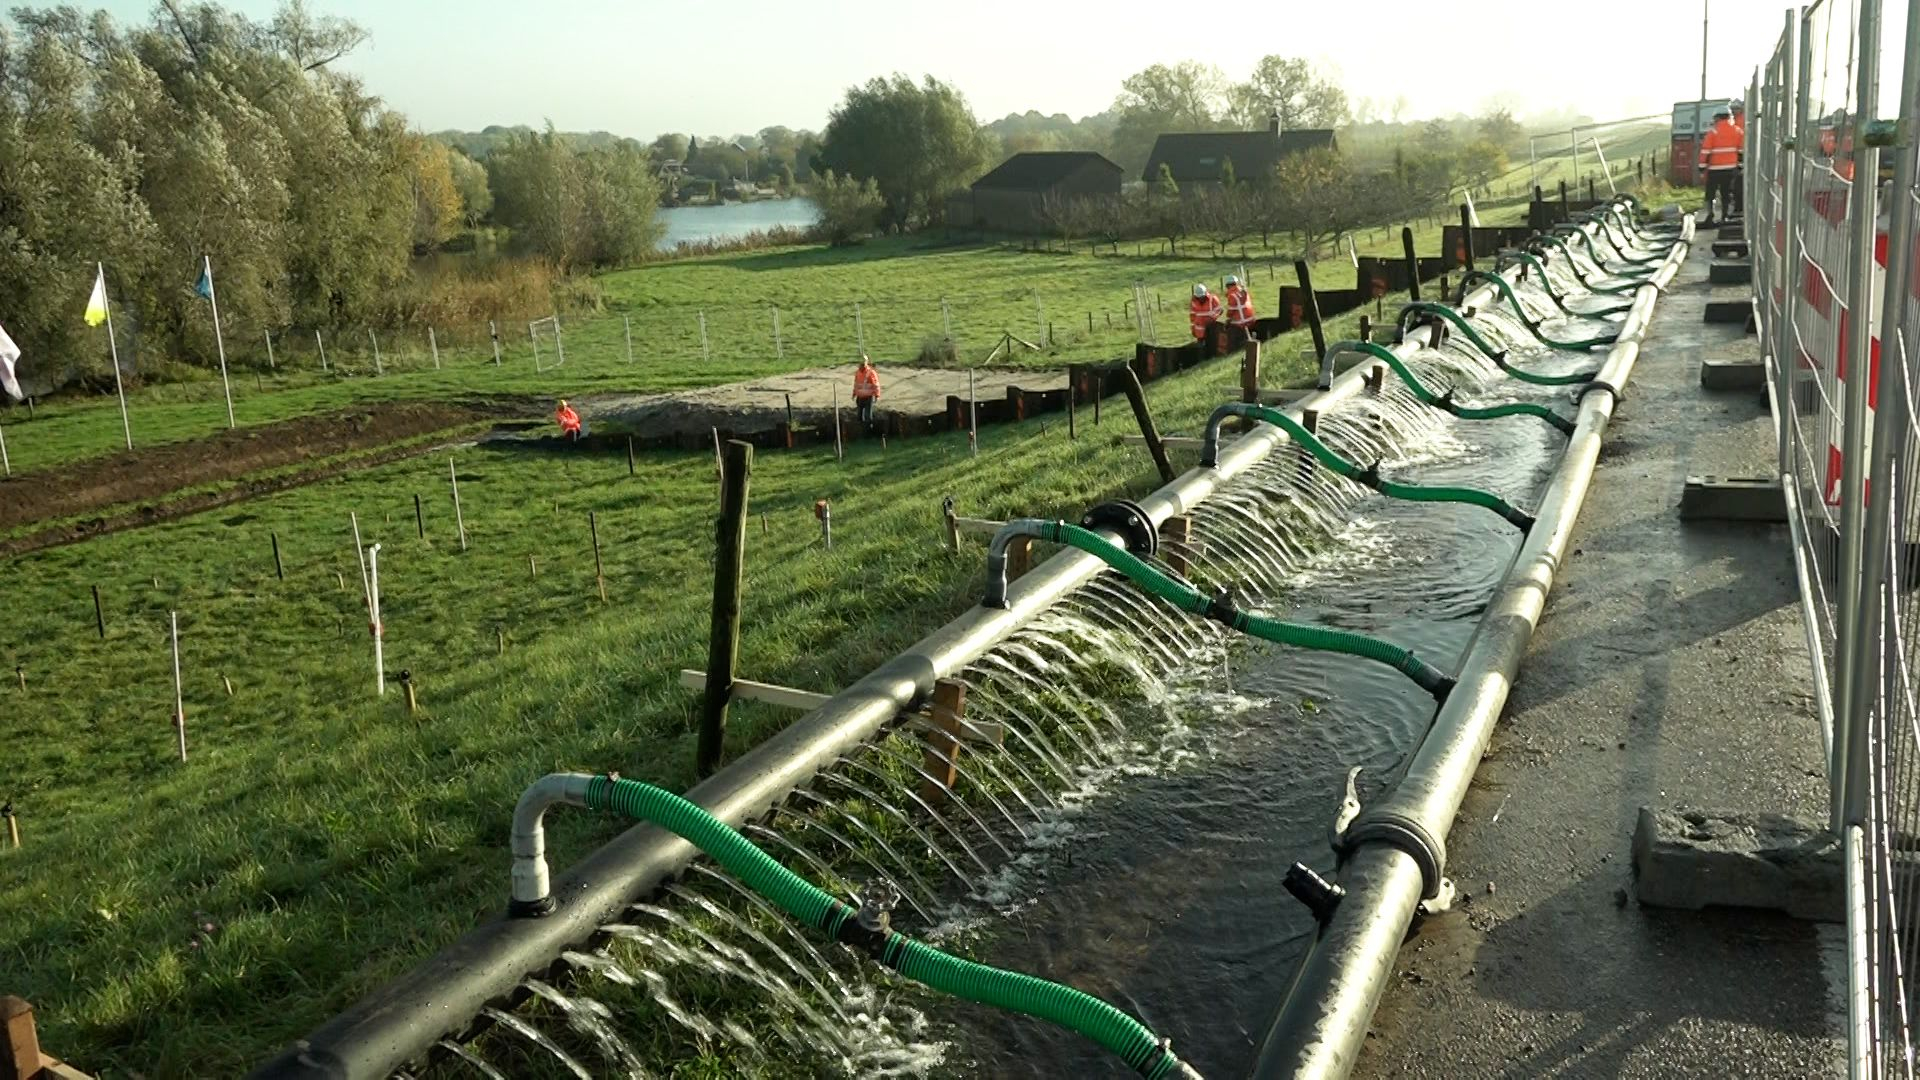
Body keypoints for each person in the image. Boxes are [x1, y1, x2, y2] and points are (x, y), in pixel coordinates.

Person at [1698, 107, 1744, 223]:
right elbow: (1741, 151)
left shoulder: (1713, 132)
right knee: (1726, 193)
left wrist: (1702, 167)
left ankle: (1710, 215)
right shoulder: (1738, 131)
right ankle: (1725, 216)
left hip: (1714, 169)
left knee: (1710, 193)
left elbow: (1705, 152)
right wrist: (1739, 165)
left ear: (1717, 118)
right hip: (1731, 169)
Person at [852, 355, 881, 425]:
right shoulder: (857, 373)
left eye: (862, 364)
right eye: (860, 364)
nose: (861, 366)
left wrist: (877, 395)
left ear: (866, 363)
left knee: (868, 416)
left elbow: (876, 385)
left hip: (868, 397)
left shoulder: (871, 373)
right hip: (860, 398)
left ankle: (869, 430)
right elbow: (856, 385)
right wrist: (854, 394)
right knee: (859, 416)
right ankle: (861, 430)